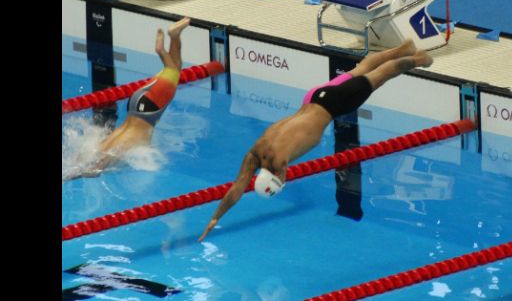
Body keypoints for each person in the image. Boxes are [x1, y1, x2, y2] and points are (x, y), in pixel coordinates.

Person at [198, 39, 433, 241]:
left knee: (381, 75)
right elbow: (237, 187)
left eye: (281, 179)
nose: (284, 177)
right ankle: (404, 48)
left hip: (335, 104)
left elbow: (245, 186)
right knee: (362, 68)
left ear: (277, 174)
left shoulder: (281, 161)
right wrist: (215, 217)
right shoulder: (254, 154)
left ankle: (419, 59)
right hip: (313, 97)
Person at [63, 17, 191, 181]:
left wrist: (93, 169)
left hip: (140, 103)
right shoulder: (130, 142)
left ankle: (168, 43)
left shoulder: (127, 141)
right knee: (173, 71)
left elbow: (107, 158)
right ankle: (170, 41)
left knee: (174, 70)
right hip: (143, 105)